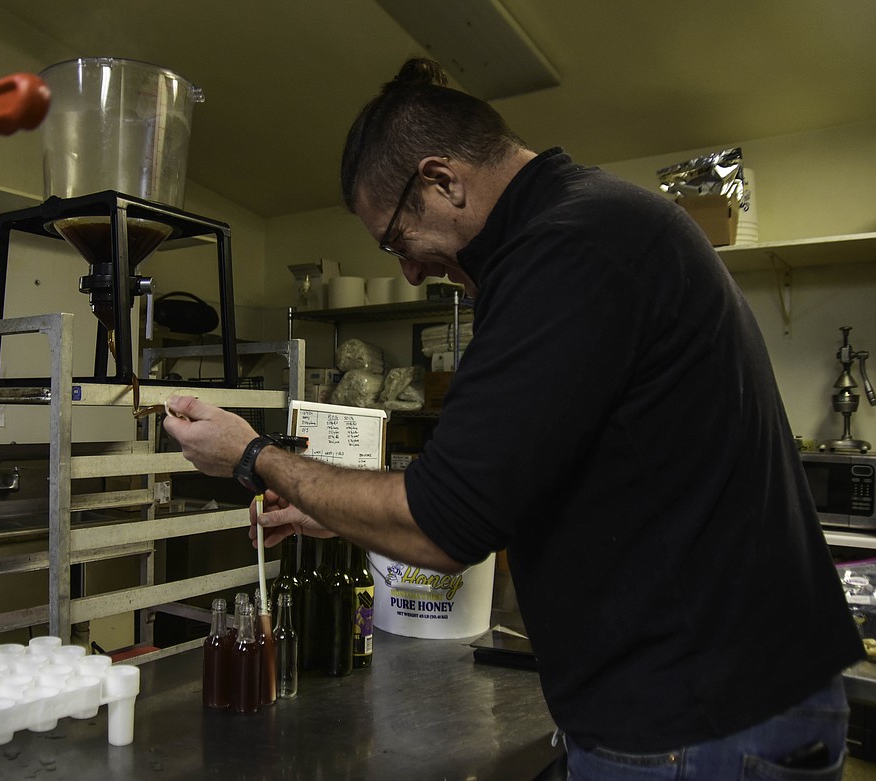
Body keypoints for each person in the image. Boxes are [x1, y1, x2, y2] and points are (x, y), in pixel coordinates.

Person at [163, 58, 863, 779]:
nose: (407, 271)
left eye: (396, 240)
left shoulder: (568, 249)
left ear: (442, 181)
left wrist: (254, 457)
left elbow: (446, 525)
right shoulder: (593, 225)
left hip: (697, 718)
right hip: (717, 704)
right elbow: (503, 482)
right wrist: (335, 508)